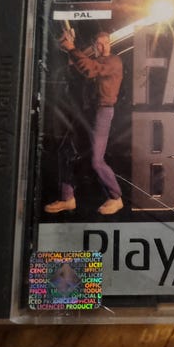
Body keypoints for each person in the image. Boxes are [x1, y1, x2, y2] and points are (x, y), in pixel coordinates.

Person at [44, 29, 124, 215]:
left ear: (110, 44)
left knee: (96, 160)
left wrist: (71, 48)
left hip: (102, 112)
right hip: (87, 113)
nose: (103, 47)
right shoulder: (93, 61)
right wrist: (69, 48)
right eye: (99, 44)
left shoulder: (113, 62)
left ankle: (116, 198)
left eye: (106, 43)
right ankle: (67, 199)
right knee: (65, 151)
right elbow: (77, 71)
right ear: (95, 45)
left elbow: (90, 69)